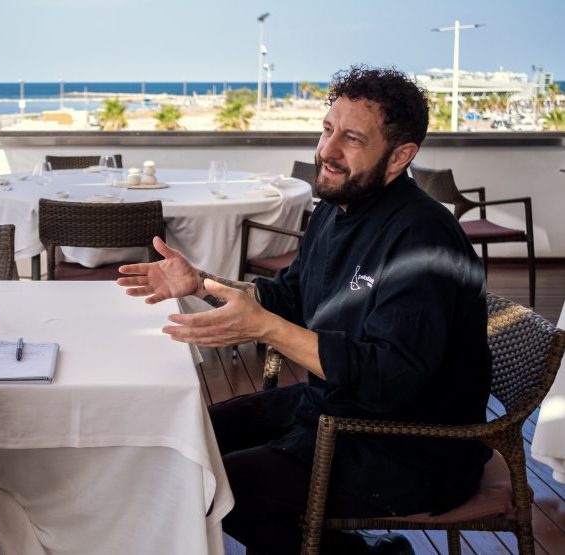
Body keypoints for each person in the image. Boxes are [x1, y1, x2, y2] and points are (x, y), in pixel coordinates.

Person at [117, 66, 491, 555]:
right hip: (334, 407)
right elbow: (287, 298)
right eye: (327, 129)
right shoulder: (339, 210)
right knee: (189, 438)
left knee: (214, 488)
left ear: (401, 156)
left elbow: (391, 378)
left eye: (352, 139)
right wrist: (201, 284)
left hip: (408, 445)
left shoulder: (421, 239)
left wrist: (266, 328)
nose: (327, 151)